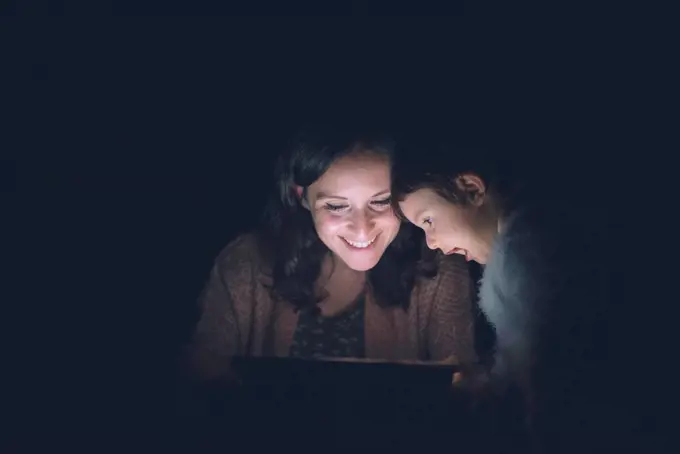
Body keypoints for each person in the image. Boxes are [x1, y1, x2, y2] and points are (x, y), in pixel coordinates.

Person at [390, 144, 645, 453]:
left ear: (471, 190)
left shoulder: (527, 246)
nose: (431, 243)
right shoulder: (523, 244)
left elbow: (555, 388)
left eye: (428, 220)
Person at [183, 128, 478, 386]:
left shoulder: (436, 266)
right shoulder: (244, 263)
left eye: (381, 202)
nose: (362, 229)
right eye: (336, 207)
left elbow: (464, 386)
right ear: (302, 197)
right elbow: (200, 377)